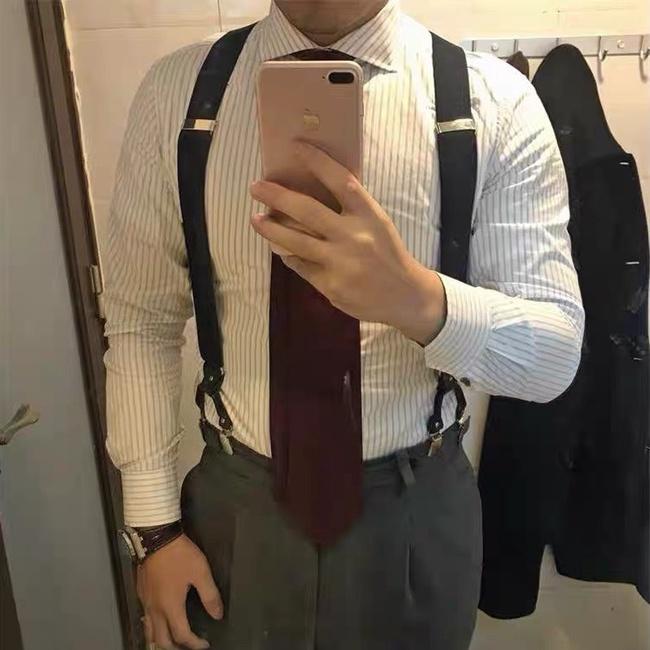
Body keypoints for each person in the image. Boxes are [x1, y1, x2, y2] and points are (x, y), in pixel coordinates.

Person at [102, 1, 585, 648]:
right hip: (235, 514)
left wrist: (419, 301)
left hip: (415, 513)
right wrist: (153, 530)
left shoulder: (495, 103)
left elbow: (554, 356)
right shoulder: (178, 94)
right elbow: (140, 318)